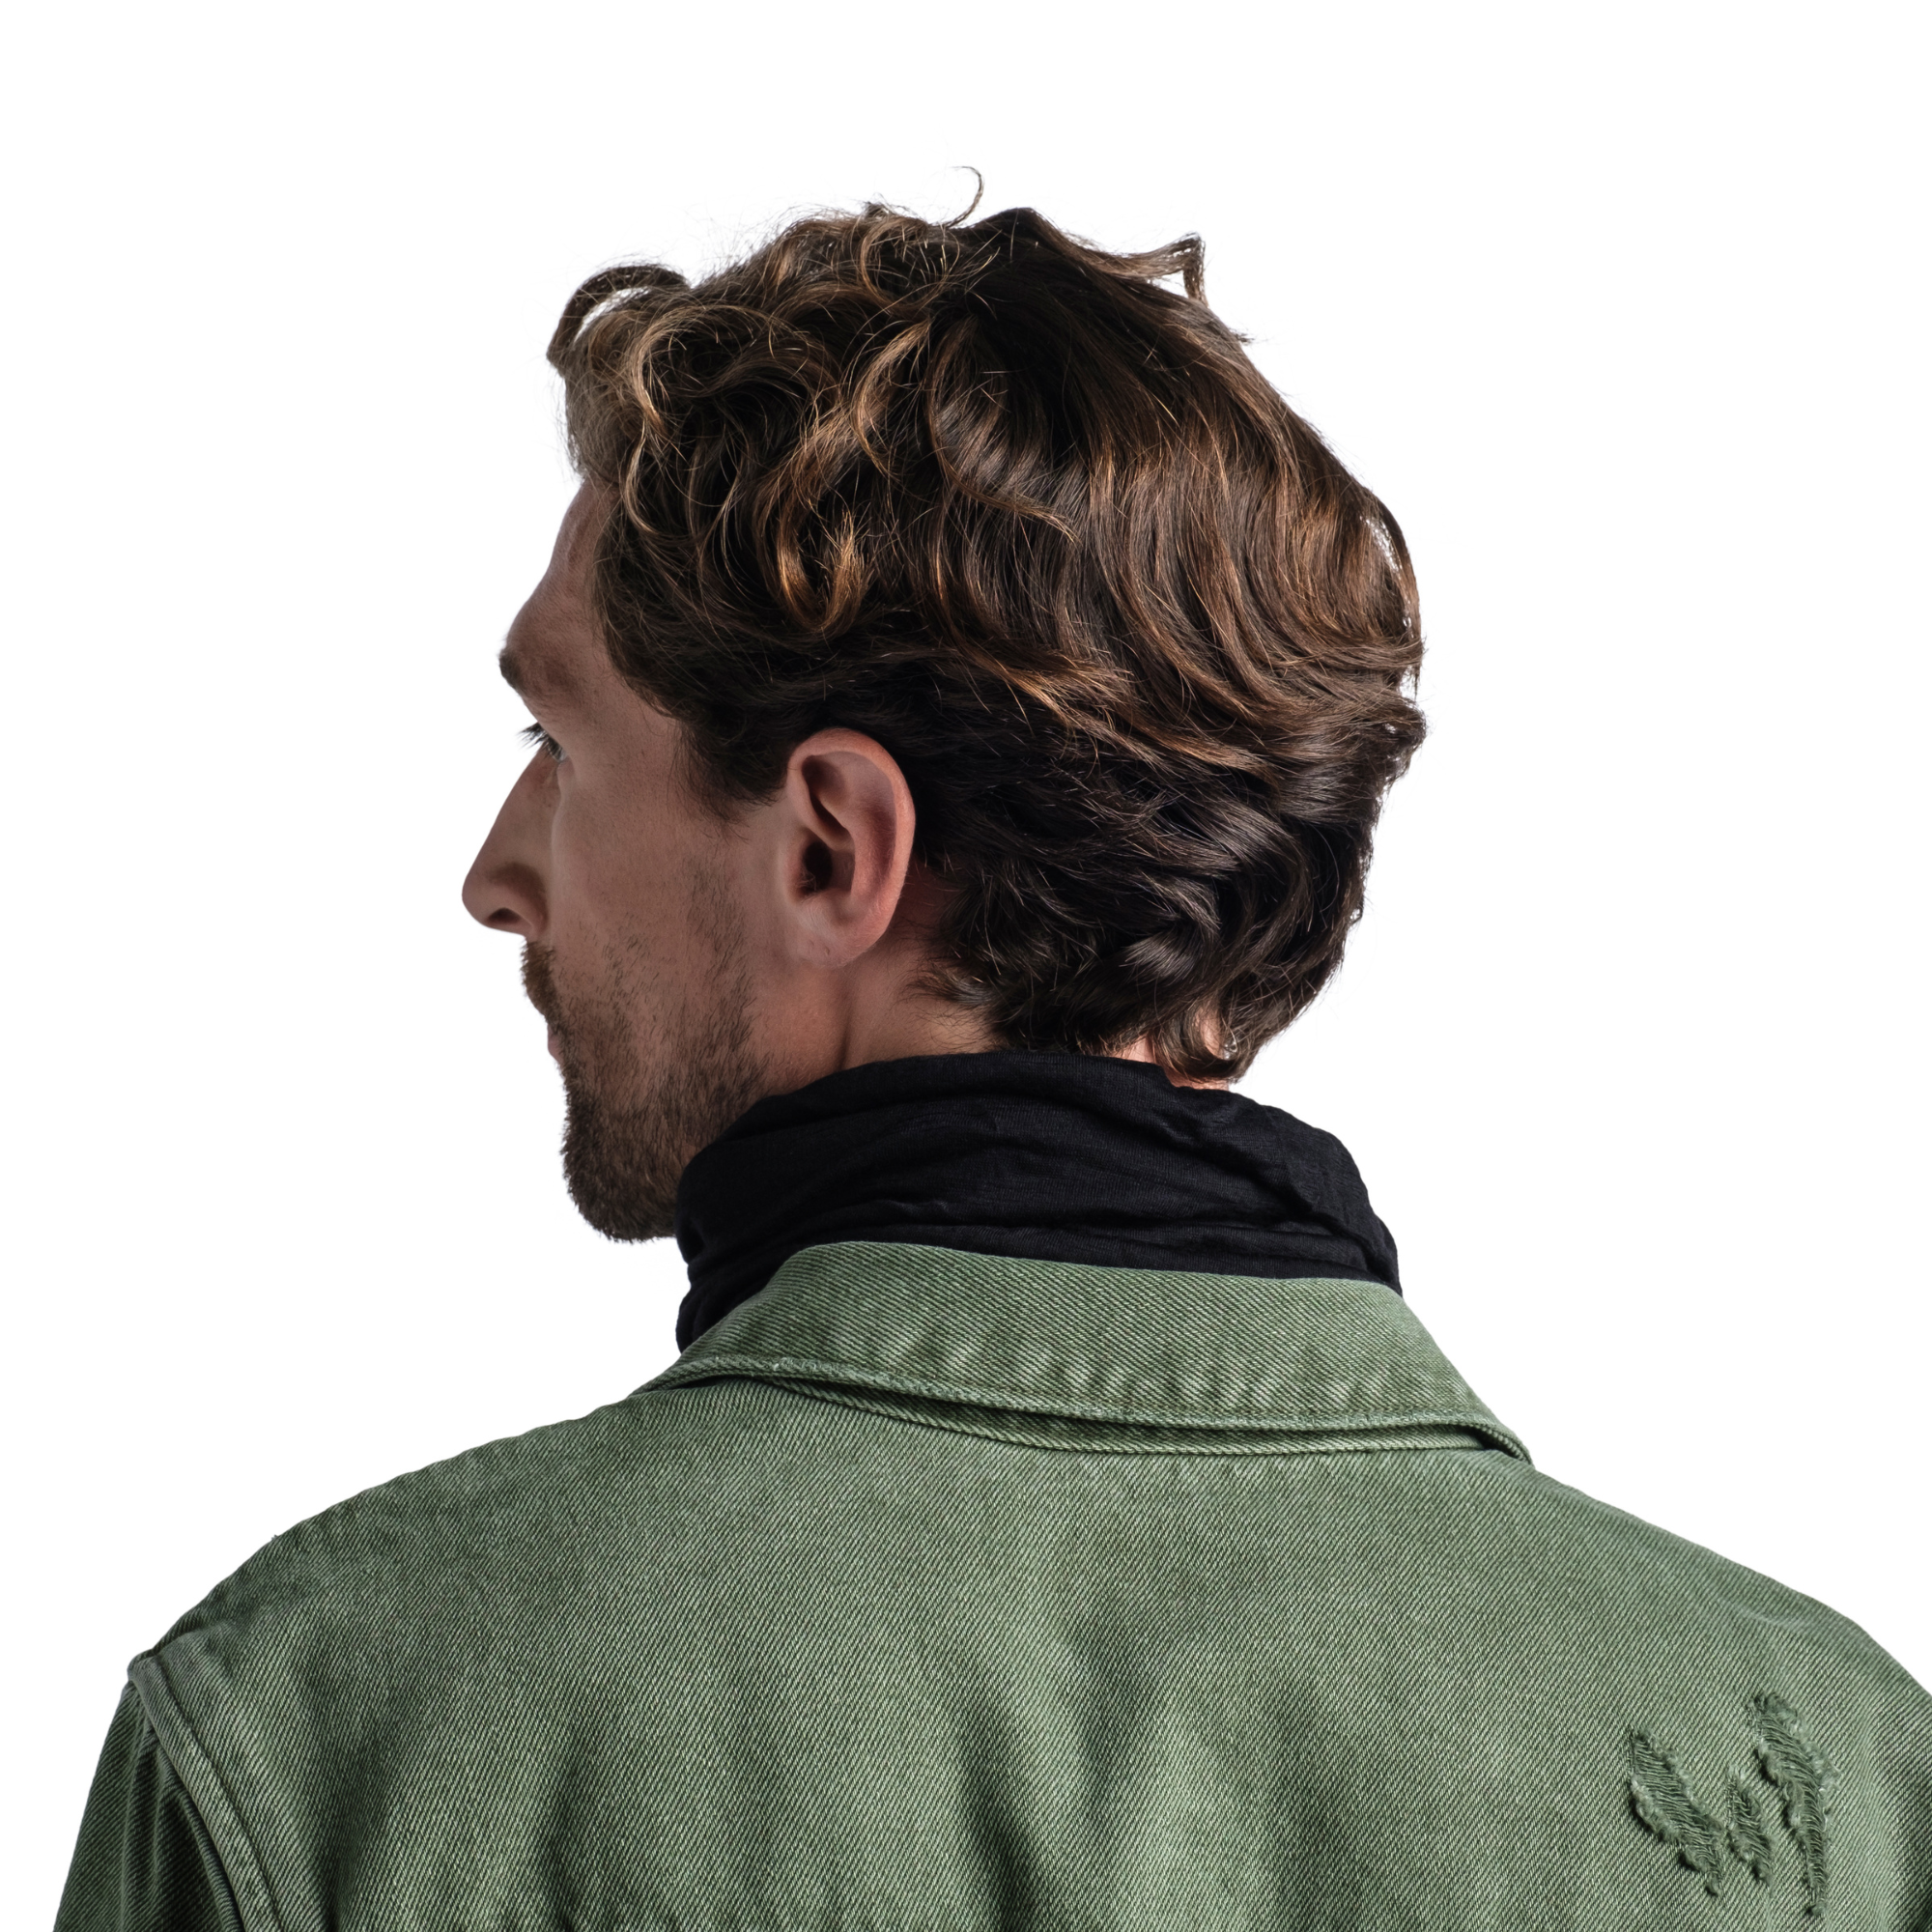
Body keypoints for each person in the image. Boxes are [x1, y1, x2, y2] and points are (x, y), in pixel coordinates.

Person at [55, 203, 1931, 1931]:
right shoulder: (1841, 1780)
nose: (496, 870)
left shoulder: (329, 1737)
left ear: (830, 849)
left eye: (556, 741)